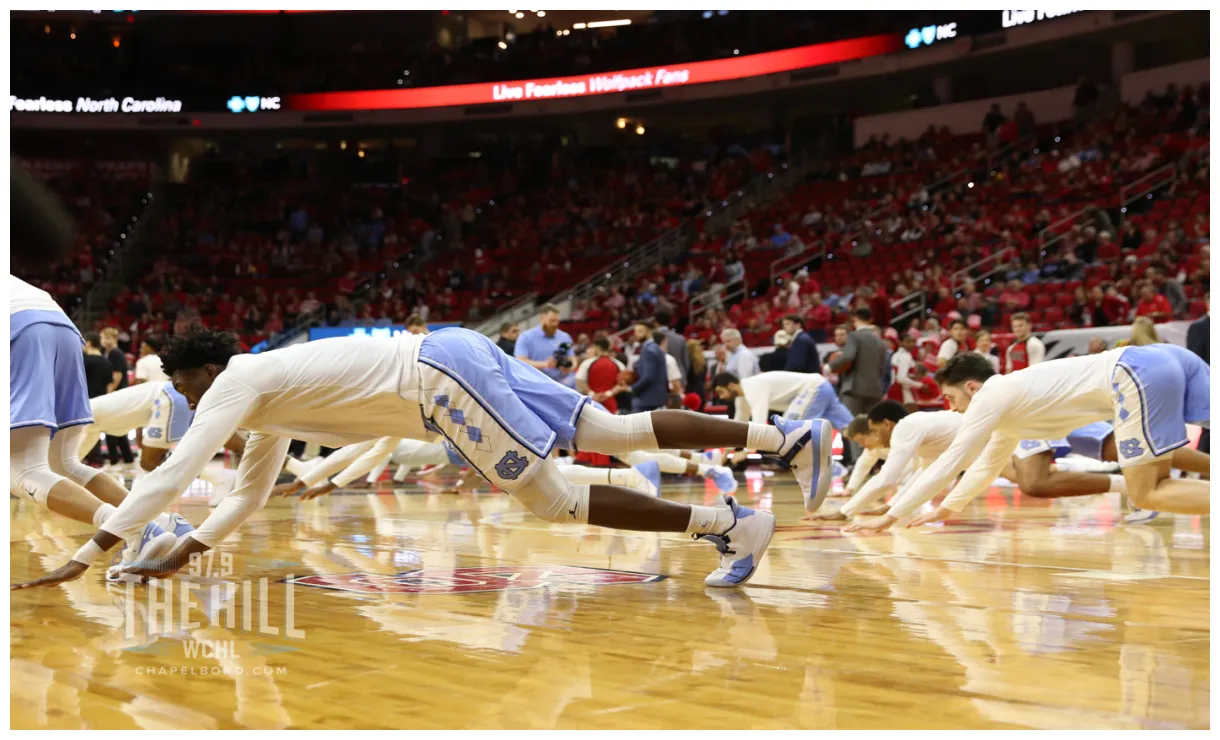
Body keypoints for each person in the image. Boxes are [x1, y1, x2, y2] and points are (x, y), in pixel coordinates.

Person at [14, 326, 834, 590]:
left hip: (437, 378)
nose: (187, 396)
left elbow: (173, 472)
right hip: (452, 349)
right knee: (612, 436)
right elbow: (244, 498)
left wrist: (92, 552)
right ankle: (780, 440)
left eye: (182, 383)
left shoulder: (232, 380)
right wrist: (177, 554)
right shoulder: (264, 401)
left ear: (197, 370)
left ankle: (729, 524)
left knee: (549, 499)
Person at [870, 349, 1210, 529]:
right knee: (1149, 477)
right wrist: (947, 508)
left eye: (950, 397)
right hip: (1163, 359)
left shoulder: (991, 394)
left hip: (1134, 373)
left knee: (1148, 491)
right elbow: (985, 466)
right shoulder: (1007, 413)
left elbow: (952, 462)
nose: (950, 406)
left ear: (972, 387)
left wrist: (892, 515)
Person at [10, 276, 183, 573]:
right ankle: (158, 522)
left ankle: (136, 531)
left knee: (22, 469)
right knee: (65, 464)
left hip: (18, 328)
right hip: (61, 326)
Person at [828, 307, 888, 464]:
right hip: (875, 388)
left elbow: (848, 356)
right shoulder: (880, 341)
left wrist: (830, 366)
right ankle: (874, 463)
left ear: (855, 319)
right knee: (872, 428)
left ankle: (858, 464)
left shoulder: (855, 336)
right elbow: (883, 369)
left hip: (854, 389)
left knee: (853, 427)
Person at [712, 370, 853, 431]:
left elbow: (759, 424)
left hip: (814, 388)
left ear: (730, 385)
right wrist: (726, 452)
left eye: (720, 392)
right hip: (821, 385)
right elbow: (739, 426)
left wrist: (747, 452)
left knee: (789, 431)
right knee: (852, 429)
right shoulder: (742, 398)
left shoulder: (752, 387)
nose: (721, 397)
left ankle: (833, 469)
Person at [515, 304, 575, 384]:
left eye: (557, 321)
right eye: (551, 321)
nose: (555, 324)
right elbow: (520, 361)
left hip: (562, 383)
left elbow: (573, 359)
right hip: (536, 382)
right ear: (542, 318)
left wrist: (569, 367)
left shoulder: (565, 337)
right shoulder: (526, 337)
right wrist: (545, 364)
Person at [627, 324, 670, 413]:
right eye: (635, 331)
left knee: (637, 426)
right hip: (655, 398)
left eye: (640, 331)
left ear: (648, 332)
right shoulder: (655, 348)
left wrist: (632, 388)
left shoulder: (648, 350)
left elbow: (648, 376)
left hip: (646, 400)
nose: (636, 334)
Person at [575, 338, 625, 413]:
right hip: (611, 403)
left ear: (596, 348)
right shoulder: (618, 364)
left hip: (592, 403)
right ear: (609, 347)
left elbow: (579, 381)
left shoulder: (587, 363)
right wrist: (608, 394)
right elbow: (623, 384)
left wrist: (592, 393)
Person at [1186, 293, 1209, 453]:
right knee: (1210, 430)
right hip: (1210, 384)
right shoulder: (1199, 327)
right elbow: (1195, 359)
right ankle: (1203, 469)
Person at [654, 309, 690, 383]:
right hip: (679, 378)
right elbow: (686, 363)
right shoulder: (680, 339)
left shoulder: (652, 339)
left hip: (659, 380)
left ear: (656, 322)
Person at [887, 333, 922, 409]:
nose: (911, 344)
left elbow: (898, 374)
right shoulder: (905, 356)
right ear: (900, 342)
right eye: (908, 341)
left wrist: (912, 376)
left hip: (896, 389)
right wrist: (919, 385)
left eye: (913, 341)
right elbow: (901, 378)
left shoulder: (897, 354)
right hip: (903, 392)